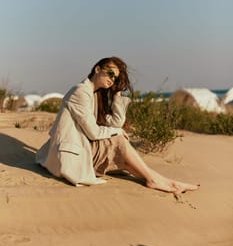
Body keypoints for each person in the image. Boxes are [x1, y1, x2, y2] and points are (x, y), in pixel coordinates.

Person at [36, 56, 199, 194]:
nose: (112, 79)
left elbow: (115, 122)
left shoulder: (94, 95)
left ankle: (165, 181)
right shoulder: (81, 91)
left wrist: (116, 96)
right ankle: (155, 180)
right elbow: (93, 132)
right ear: (97, 69)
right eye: (110, 74)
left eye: (116, 78)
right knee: (119, 141)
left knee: (125, 158)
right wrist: (117, 131)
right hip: (69, 155)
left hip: (83, 150)